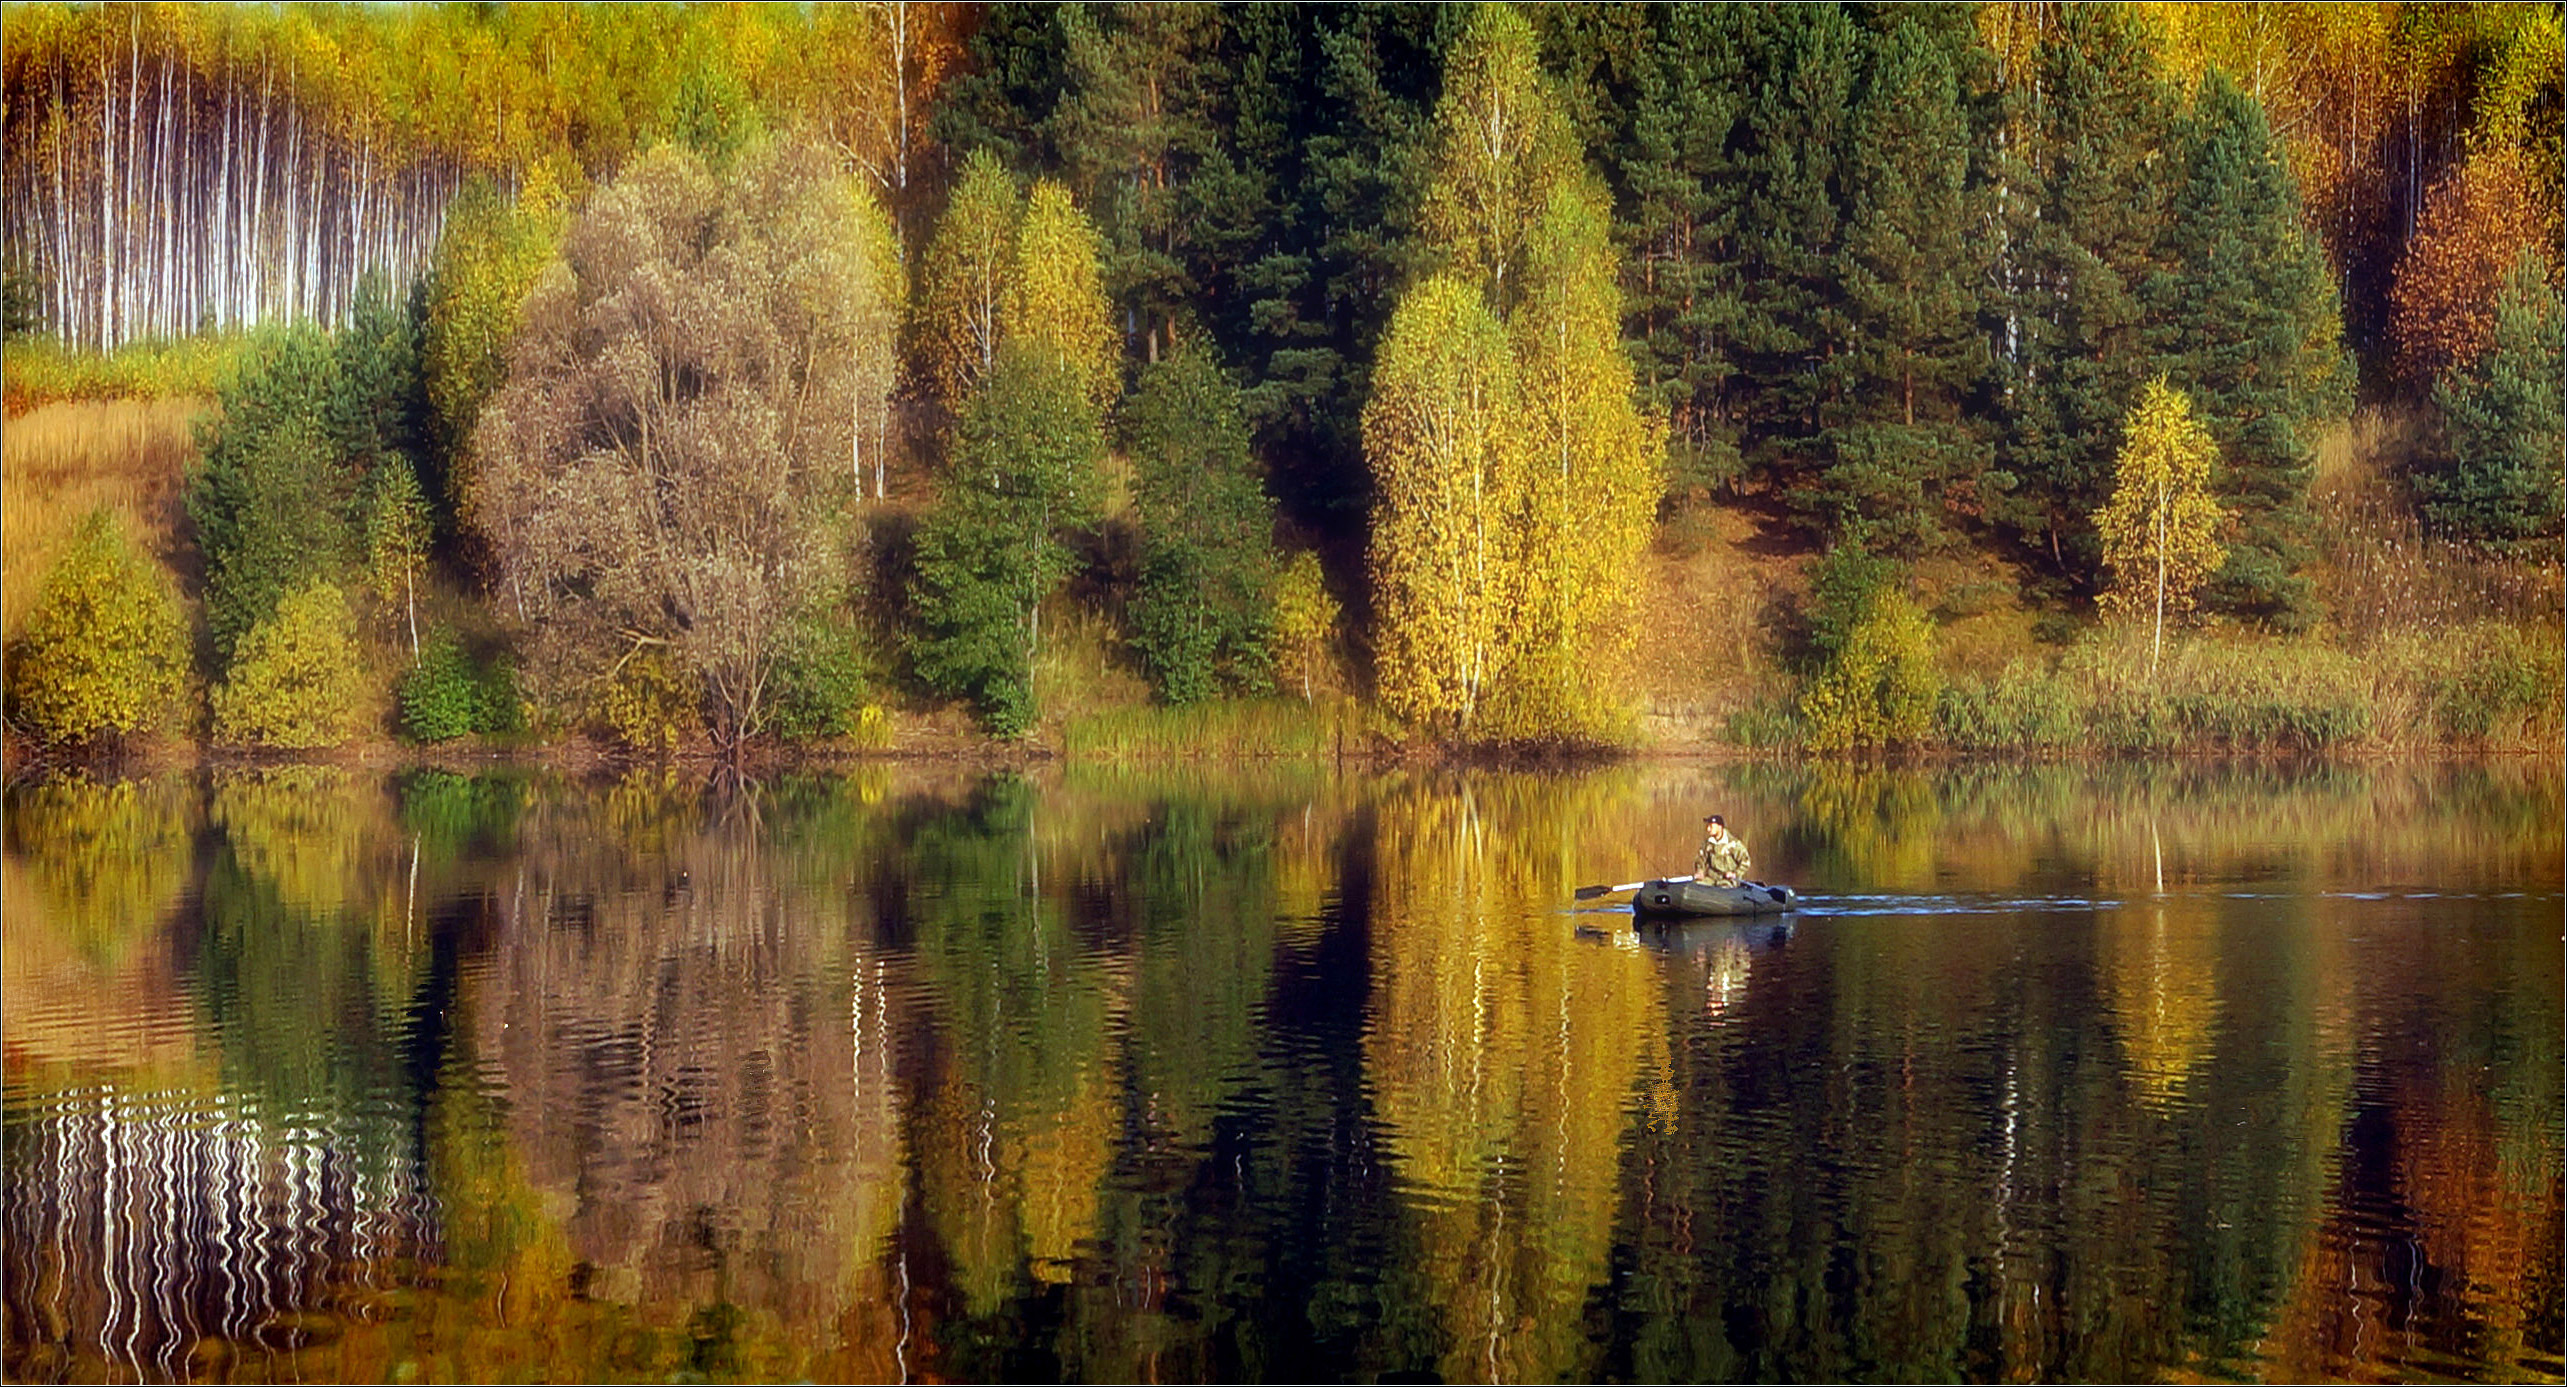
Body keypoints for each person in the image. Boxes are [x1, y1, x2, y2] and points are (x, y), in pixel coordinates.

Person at [1693, 814, 1751, 886]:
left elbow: (1745, 861)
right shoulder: (1708, 844)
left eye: (1711, 827)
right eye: (1708, 826)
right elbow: (1700, 859)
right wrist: (1700, 871)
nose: (1708, 829)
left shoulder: (1733, 844)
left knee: (1723, 890)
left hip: (1727, 879)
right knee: (1697, 886)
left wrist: (1735, 873)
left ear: (1720, 827)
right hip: (1711, 878)